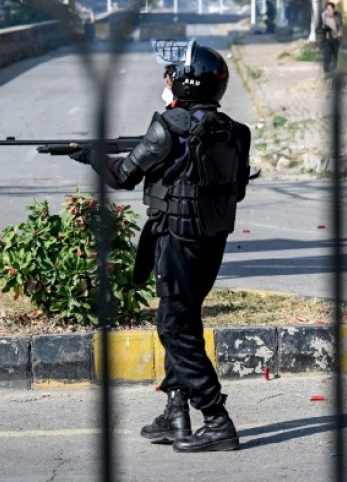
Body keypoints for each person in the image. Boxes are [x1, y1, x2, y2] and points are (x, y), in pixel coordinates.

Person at [69, 40, 252, 451]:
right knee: (182, 319)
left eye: (170, 75)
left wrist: (92, 157)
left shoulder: (168, 127)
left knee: (175, 325)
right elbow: (235, 191)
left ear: (185, 82)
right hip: (212, 240)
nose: (165, 81)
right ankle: (176, 414)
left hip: (177, 239)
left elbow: (123, 176)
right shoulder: (235, 132)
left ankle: (217, 419)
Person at [319, 2, 342, 73]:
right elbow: (319, 27)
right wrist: (324, 28)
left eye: (330, 9)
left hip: (336, 39)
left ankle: (334, 71)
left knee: (335, 56)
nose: (329, 11)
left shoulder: (337, 15)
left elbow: (340, 25)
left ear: (333, 9)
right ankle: (326, 71)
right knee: (327, 55)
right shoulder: (323, 16)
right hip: (327, 39)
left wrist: (339, 35)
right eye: (327, 9)